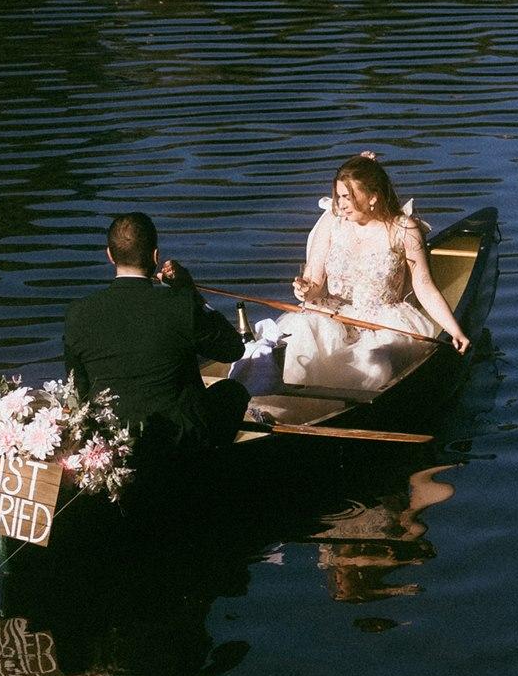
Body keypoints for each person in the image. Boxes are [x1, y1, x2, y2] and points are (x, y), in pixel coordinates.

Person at [63, 212, 248, 470]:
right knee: (233, 392)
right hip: (175, 440)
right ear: (155, 256)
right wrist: (189, 291)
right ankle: (208, 470)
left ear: (109, 255)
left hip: (110, 440)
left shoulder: (78, 313)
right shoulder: (180, 304)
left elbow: (78, 387)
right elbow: (233, 349)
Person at [282, 154, 470, 395]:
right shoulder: (332, 222)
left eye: (348, 197)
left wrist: (455, 330)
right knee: (300, 335)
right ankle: (301, 401)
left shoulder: (403, 229)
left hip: (383, 323)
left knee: (372, 360)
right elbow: (314, 283)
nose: (340, 204)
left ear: (373, 197)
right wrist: (306, 290)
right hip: (333, 315)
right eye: (339, 196)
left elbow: (424, 285)